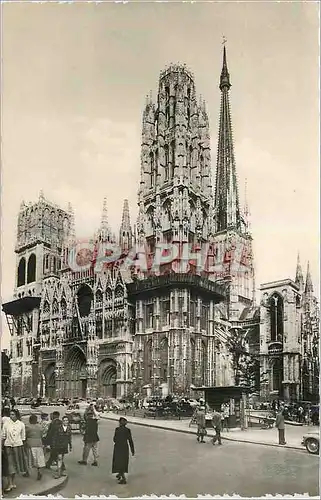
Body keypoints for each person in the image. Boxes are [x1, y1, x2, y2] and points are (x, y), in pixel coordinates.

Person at [2, 408, 28, 492]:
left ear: (17, 415)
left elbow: (23, 437)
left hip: (18, 446)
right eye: (10, 414)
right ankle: (9, 484)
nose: (11, 416)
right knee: (10, 465)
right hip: (8, 446)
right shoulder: (6, 424)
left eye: (13, 414)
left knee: (15, 465)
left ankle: (12, 482)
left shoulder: (21, 424)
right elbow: (3, 436)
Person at [112, 417, 135, 484]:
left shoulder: (117, 429)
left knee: (118, 461)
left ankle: (123, 478)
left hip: (117, 447)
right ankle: (120, 474)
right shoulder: (128, 430)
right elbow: (130, 440)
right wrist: (132, 450)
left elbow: (114, 439)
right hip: (125, 447)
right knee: (123, 462)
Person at [25, 414, 46, 480]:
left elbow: (24, 435)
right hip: (39, 444)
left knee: (29, 459)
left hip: (30, 444)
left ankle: (27, 472)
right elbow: (42, 435)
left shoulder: (27, 427)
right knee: (39, 459)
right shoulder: (40, 427)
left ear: (30, 420)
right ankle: (39, 472)